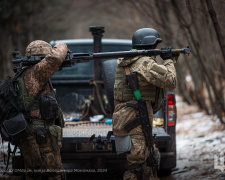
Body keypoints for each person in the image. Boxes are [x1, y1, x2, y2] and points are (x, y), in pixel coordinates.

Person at [112, 28, 177, 180]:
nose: (156, 49)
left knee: (149, 162)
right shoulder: (142, 63)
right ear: (148, 45)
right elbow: (171, 80)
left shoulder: (132, 60)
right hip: (135, 120)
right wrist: (168, 60)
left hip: (132, 117)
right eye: (155, 46)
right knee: (138, 168)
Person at [15, 40, 68, 180]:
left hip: (31, 133)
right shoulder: (37, 72)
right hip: (41, 135)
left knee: (35, 174)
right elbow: (56, 58)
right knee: (53, 174)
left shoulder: (23, 73)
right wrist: (62, 44)